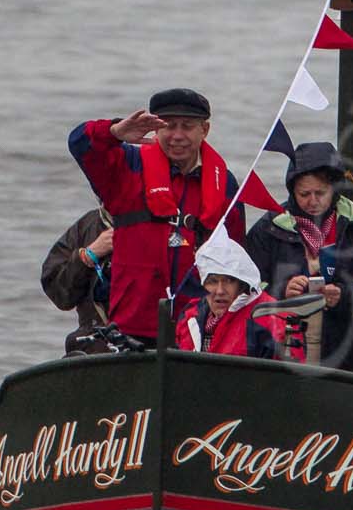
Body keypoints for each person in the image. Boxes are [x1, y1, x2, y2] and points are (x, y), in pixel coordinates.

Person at [67, 88, 244, 345]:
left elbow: (236, 254)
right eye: (169, 126)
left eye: (187, 126)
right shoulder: (127, 166)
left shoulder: (224, 183)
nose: (178, 136)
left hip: (198, 327)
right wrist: (114, 133)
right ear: (155, 129)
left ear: (204, 130)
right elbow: (79, 143)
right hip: (131, 324)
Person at [244, 141, 353, 372]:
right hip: (282, 353)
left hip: (345, 354)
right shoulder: (269, 227)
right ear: (292, 191)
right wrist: (282, 292)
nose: (313, 201)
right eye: (304, 194)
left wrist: (344, 296)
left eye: (321, 193)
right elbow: (245, 289)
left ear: (334, 189)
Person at [173, 237, 300, 361]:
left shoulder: (274, 320)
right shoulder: (189, 315)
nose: (220, 290)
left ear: (241, 284)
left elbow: (289, 377)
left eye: (228, 281)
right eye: (212, 281)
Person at [41, 206, 114, 343]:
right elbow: (60, 295)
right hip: (96, 343)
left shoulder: (162, 224)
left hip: (151, 344)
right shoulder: (88, 226)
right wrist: (87, 256)